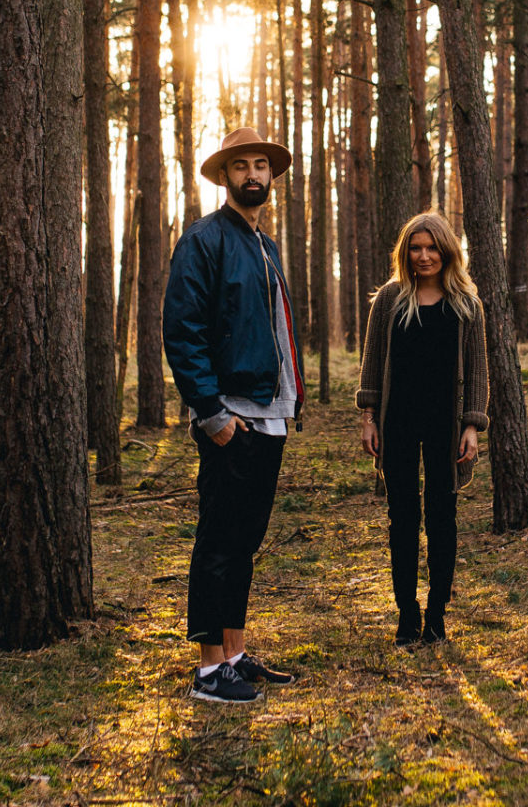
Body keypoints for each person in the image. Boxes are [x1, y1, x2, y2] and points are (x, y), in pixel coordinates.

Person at [163, 127, 306, 703]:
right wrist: (210, 412)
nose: (253, 174)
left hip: (268, 416)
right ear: (225, 176)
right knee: (219, 541)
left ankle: (236, 655)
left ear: (272, 176)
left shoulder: (264, 245)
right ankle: (207, 670)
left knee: (245, 542)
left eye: (261, 166)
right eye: (242, 165)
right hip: (231, 418)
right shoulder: (203, 240)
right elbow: (183, 331)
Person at [356, 212, 489, 645]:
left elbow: (479, 370)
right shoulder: (390, 300)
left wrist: (472, 425)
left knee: (442, 517)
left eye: (432, 248)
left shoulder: (466, 304)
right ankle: (406, 614)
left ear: (447, 251)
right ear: (405, 253)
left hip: (444, 425)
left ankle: (436, 615)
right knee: (402, 519)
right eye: (416, 248)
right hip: (397, 421)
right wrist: (368, 416)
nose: (424, 256)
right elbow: (373, 362)